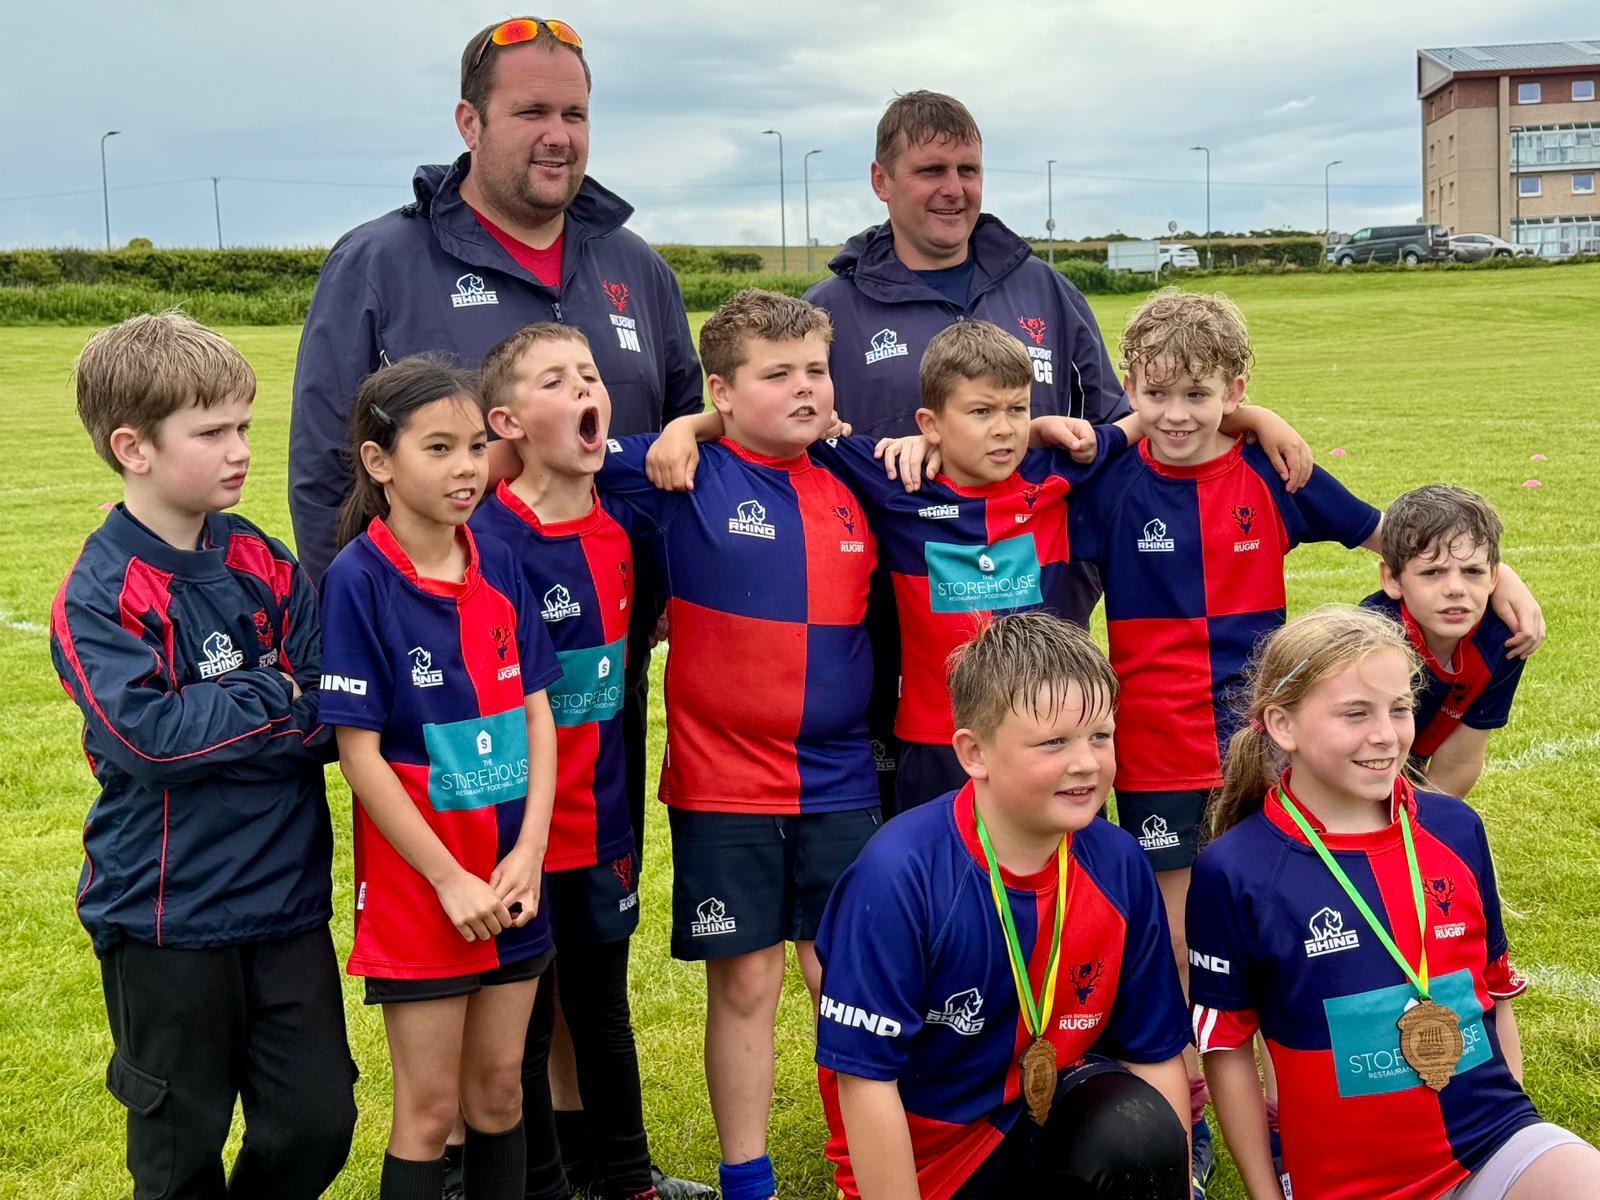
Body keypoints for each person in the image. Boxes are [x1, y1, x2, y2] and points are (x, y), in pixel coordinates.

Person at [290, 20, 709, 1192]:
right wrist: (354, 647)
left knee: (584, 935)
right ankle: (498, 1169)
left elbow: (674, 452)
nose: (558, 135)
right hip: (435, 687)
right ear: (469, 123)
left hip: (591, 683)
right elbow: (327, 465)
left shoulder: (636, 271)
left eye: (573, 112)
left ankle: (600, 1165)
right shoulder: (381, 261)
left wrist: (657, 611)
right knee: (476, 945)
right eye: (531, 112)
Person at [1063, 286, 1545, 1193]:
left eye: (1201, 395)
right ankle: (1194, 1121)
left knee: (1296, 937)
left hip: (1267, 744)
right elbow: (1029, 478)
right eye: (1155, 393)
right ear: (1129, 386)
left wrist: (1503, 572)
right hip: (1158, 749)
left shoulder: (1271, 473)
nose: (1175, 415)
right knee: (1181, 949)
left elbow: (1391, 539)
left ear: (1235, 386)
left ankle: (1293, 1113)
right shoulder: (1115, 477)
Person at [649, 319, 1310, 813]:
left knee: (1060, 893)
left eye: (1016, 411)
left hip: (1053, 734)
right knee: (945, 896)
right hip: (938, 740)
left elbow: (1145, 425)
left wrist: (1254, 416)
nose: (1003, 430)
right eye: (982, 413)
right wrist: (692, 428)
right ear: (930, 424)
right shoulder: (894, 478)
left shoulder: (1057, 471)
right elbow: (790, 431)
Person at [49, 312, 356, 1198]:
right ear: (133, 447)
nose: (239, 450)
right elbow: (151, 740)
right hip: (165, 919)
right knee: (180, 1153)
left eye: (244, 427)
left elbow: (331, 710)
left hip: (288, 906)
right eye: (212, 431)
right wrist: (275, 698)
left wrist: (233, 715)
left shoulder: (262, 558)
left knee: (316, 1126)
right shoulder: (101, 591)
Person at [599, 290, 881, 1200]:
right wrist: (688, 427)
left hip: (840, 778)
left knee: (847, 975)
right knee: (749, 982)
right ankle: (746, 1179)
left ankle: (864, 1164)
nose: (805, 389)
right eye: (777, 375)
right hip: (724, 783)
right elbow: (565, 455)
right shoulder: (680, 472)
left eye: (816, 370)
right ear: (724, 388)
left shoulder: (855, 474)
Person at [1188, 605, 1600, 1200]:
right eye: (1356, 714)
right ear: (1282, 725)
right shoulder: (1236, 870)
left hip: (1491, 1139)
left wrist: (1521, 1121)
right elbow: (1225, 1049)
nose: (1386, 734)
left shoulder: (1455, 828)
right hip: (1348, 1180)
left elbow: (1494, 991)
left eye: (1400, 708)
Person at [803, 89, 1130, 810]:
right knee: (929, 853)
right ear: (881, 181)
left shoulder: (1044, 287)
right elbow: (786, 436)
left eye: (968, 169)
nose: (954, 189)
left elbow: (1115, 422)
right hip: (897, 639)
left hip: (1038, 623)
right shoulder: (832, 307)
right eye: (930, 171)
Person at [814, 613, 1191, 1199]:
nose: (1087, 762)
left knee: (1131, 1136)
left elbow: (1156, 1055)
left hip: (1041, 1121)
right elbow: (865, 1080)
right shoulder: (899, 876)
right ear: (974, 753)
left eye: (1101, 735)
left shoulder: (1116, 863)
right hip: (927, 1158)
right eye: (1053, 742)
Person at [316, 358, 563, 1200]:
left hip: (510, 877)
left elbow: (538, 712)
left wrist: (530, 850)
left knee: (498, 1094)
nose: (467, 467)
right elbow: (359, 755)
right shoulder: (358, 579)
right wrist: (449, 878)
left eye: (474, 447)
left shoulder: (497, 558)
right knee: (428, 1112)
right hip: (429, 887)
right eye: (439, 448)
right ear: (380, 462)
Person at [468, 324, 660, 1200]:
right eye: (556, 379)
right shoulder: (486, 541)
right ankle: (537, 1182)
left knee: (603, 1009)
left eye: (590, 373)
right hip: (520, 834)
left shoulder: (625, 526)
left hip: (604, 815)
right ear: (507, 420)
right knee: (528, 1024)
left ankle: (625, 1177)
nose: (586, 386)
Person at [1361, 485, 1527, 799]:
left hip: (1409, 766)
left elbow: (1459, 760)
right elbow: (1344, 757)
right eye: (1433, 572)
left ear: (1494, 577)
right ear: (1392, 580)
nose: (1455, 588)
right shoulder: (1370, 637)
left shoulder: (1505, 640)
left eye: (1473, 571)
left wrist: (1425, 827)